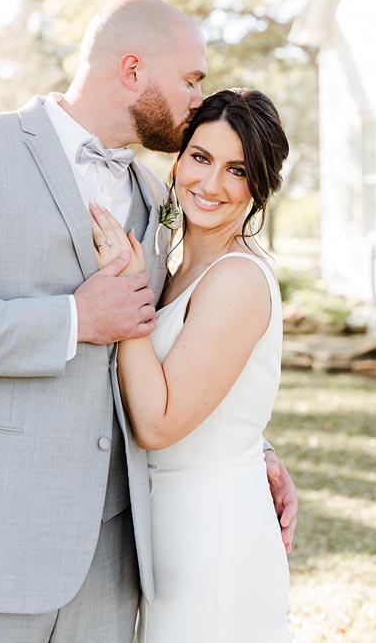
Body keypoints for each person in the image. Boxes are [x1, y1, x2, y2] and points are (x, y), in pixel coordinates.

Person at [0, 0, 297, 643]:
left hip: (112, 563)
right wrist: (70, 319)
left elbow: (174, 344)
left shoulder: (157, 197)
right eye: (190, 79)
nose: (196, 95)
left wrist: (241, 445)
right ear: (132, 70)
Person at [89, 87, 292, 642]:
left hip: (213, 531)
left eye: (237, 170)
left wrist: (125, 292)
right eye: (201, 158)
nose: (210, 184)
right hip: (169, 525)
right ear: (178, 160)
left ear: (260, 186)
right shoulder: (177, 268)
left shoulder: (236, 279)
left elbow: (158, 423)